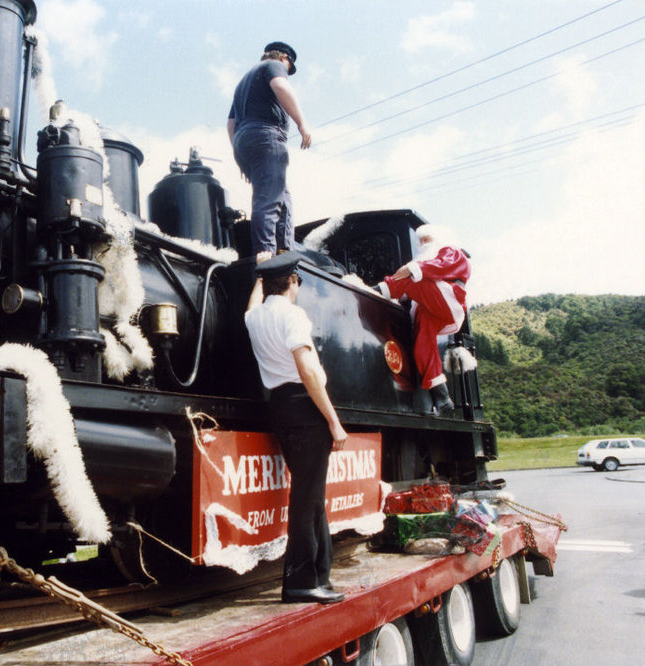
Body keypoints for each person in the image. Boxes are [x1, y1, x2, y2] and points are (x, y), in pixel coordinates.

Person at [244, 252, 347, 604]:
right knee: (307, 498)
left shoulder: (255, 318)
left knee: (311, 495)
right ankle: (301, 582)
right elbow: (309, 371)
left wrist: (259, 277)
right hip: (306, 408)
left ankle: (320, 575)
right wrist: (334, 422)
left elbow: (252, 305)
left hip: (280, 407)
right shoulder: (293, 315)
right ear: (292, 282)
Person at [227, 42, 313, 263]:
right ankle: (267, 255)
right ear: (284, 57)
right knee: (269, 199)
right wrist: (302, 123)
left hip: (243, 140)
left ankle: (284, 250)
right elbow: (281, 87)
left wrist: (240, 157)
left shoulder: (243, 83)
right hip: (266, 135)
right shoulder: (274, 65)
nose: (287, 72)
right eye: (289, 66)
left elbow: (230, 123)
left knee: (282, 196)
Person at [375, 225, 471, 415]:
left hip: (450, 300)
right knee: (423, 346)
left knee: (411, 279)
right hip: (432, 308)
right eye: (421, 241)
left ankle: (374, 290)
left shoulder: (451, 251)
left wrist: (411, 269)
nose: (422, 244)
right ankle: (443, 397)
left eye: (426, 239)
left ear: (437, 238)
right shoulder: (426, 267)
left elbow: (441, 266)